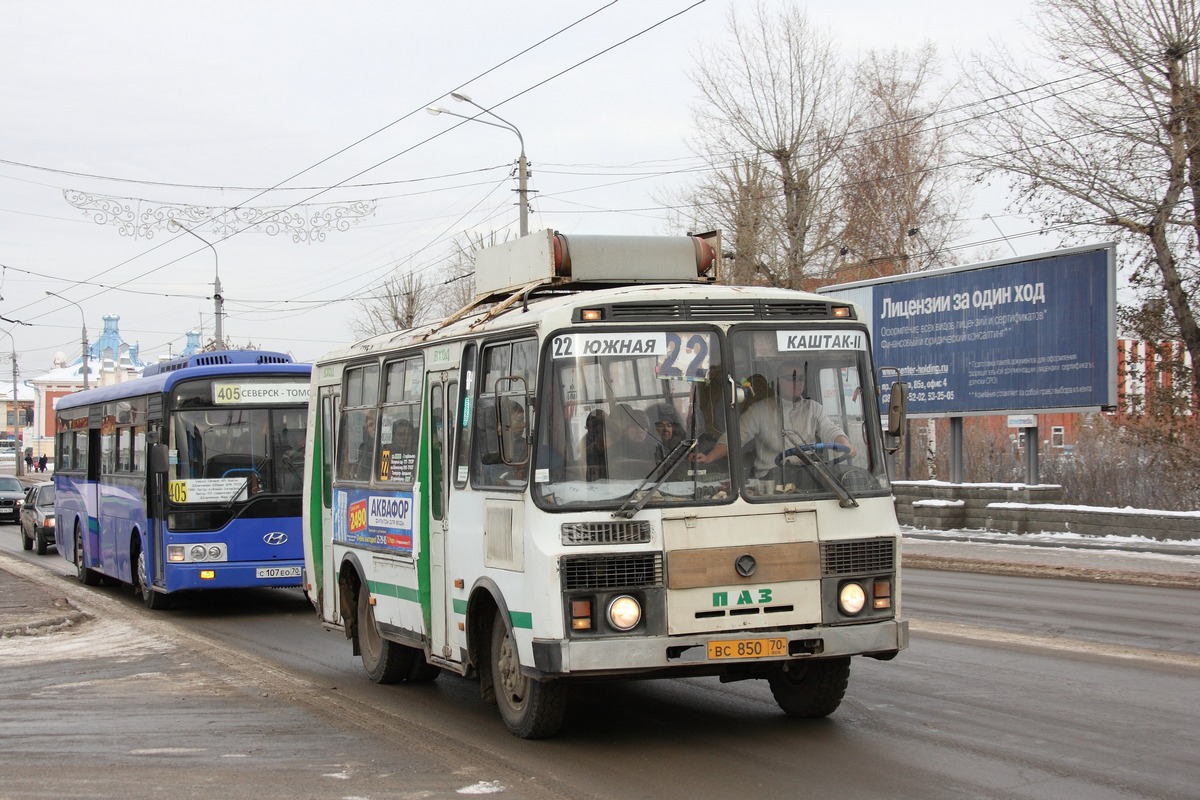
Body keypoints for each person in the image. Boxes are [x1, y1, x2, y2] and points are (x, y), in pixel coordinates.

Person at [693, 360, 855, 479]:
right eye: (791, 378)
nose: (797, 383)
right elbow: (734, 437)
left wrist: (845, 444)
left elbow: (829, 430)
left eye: (800, 378)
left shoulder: (814, 408)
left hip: (807, 476)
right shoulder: (760, 410)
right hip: (770, 479)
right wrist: (709, 457)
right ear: (778, 380)